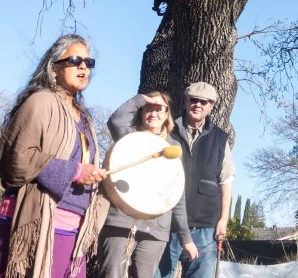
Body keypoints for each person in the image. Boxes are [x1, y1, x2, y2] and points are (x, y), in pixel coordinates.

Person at [0, 33, 109, 278]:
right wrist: (75, 172)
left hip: (73, 227)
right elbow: (18, 157)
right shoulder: (40, 102)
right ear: (54, 68)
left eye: (89, 62)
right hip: (31, 222)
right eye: (75, 60)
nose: (84, 66)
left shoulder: (84, 118)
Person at [97, 92, 198, 278]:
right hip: (120, 222)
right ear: (141, 112)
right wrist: (142, 99)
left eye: (159, 109)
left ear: (167, 113)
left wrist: (186, 238)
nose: (153, 113)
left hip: (155, 230)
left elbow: (177, 195)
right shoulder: (128, 136)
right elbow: (116, 121)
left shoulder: (173, 148)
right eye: (148, 109)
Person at [158, 82, 234, 278]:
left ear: (211, 106)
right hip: (167, 224)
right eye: (194, 100)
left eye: (204, 102)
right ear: (185, 101)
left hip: (205, 228)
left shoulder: (220, 139)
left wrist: (223, 220)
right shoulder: (166, 131)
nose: (198, 105)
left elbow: (226, 181)